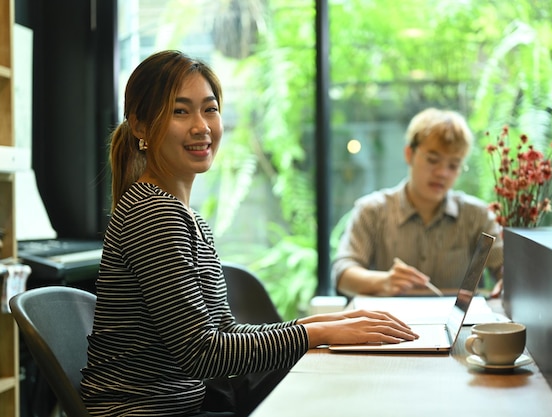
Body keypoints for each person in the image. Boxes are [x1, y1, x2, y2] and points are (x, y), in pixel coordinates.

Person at [80, 50, 417, 417]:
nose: (201, 126)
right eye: (181, 111)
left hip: (187, 403)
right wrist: (316, 334)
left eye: (210, 109)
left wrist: (323, 324)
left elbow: (223, 332)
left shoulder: (182, 214)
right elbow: (202, 354)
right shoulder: (153, 214)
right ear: (141, 126)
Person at [331, 108, 503, 298]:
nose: (442, 173)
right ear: (409, 154)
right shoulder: (372, 211)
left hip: (456, 327)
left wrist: (508, 281)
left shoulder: (476, 216)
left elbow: (503, 267)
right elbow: (342, 274)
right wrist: (384, 281)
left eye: (453, 165)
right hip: (388, 323)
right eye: (432, 160)